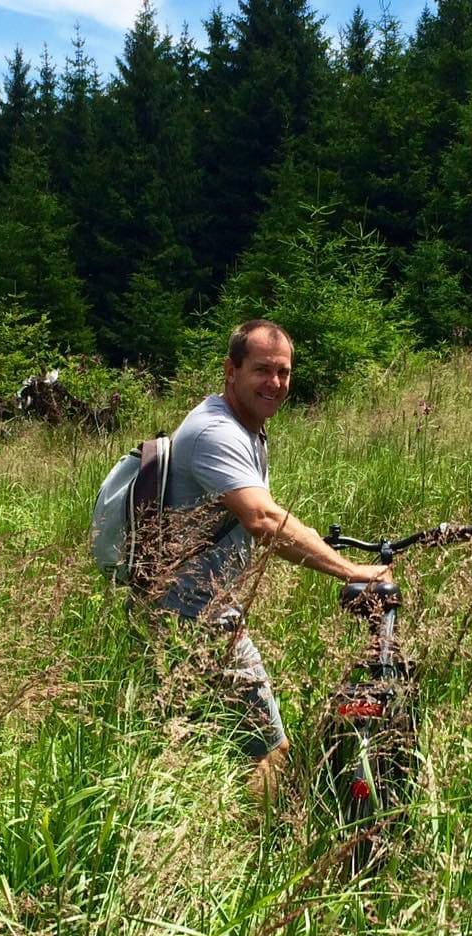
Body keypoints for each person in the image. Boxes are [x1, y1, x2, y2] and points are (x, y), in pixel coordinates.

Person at [159, 319, 392, 796]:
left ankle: (199, 837)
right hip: (198, 618)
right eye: (262, 370)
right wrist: (352, 572)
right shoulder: (214, 433)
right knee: (269, 750)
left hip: (178, 613)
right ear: (231, 370)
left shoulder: (246, 428)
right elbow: (264, 520)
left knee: (184, 747)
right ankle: (264, 844)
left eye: (284, 372)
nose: (276, 383)